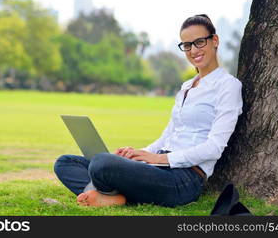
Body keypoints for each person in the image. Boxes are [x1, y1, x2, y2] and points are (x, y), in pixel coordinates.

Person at [54, 14, 243, 208]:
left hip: (184, 178)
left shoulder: (228, 86)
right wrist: (138, 154)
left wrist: (160, 159)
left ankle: (107, 192)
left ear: (215, 40)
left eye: (199, 42)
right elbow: (168, 136)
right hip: (157, 167)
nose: (193, 50)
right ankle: (113, 196)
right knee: (66, 162)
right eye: (187, 45)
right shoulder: (187, 86)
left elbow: (214, 147)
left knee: (102, 163)